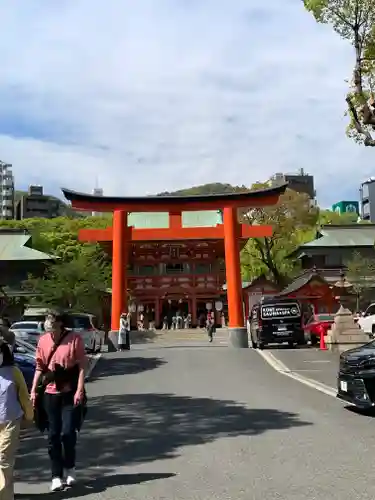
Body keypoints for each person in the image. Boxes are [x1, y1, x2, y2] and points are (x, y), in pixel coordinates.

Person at [30, 311, 87, 492]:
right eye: (47, 320)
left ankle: (70, 468)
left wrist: (79, 390)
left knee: (68, 433)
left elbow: (82, 366)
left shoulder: (74, 338)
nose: (49, 324)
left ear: (60, 323)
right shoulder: (43, 340)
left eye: (52, 321)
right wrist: (33, 390)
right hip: (49, 393)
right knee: (53, 435)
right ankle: (56, 476)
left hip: (69, 392)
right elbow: (39, 367)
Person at [0, 340, 33, 500]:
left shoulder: (13, 371)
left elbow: (24, 397)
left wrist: (29, 416)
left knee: (3, 459)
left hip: (10, 422)